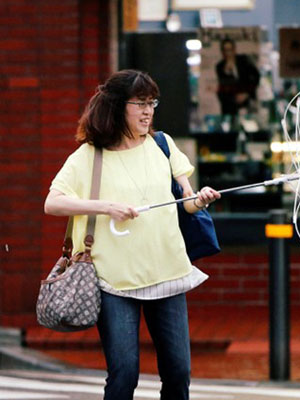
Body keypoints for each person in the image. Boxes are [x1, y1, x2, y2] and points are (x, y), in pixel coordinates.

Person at [44, 70, 221, 400]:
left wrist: (200, 200)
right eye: (139, 103)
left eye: (152, 102)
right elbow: (52, 203)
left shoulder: (163, 145)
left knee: (179, 372)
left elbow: (188, 201)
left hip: (167, 271)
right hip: (115, 280)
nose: (148, 111)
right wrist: (106, 207)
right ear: (115, 106)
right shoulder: (89, 156)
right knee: (125, 373)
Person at [215, 38, 260, 117]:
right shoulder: (220, 66)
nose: (228, 53)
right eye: (226, 50)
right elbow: (224, 84)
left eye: (230, 49)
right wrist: (227, 72)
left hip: (246, 102)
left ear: (234, 49)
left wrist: (246, 93)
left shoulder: (243, 60)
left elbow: (256, 76)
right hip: (230, 104)